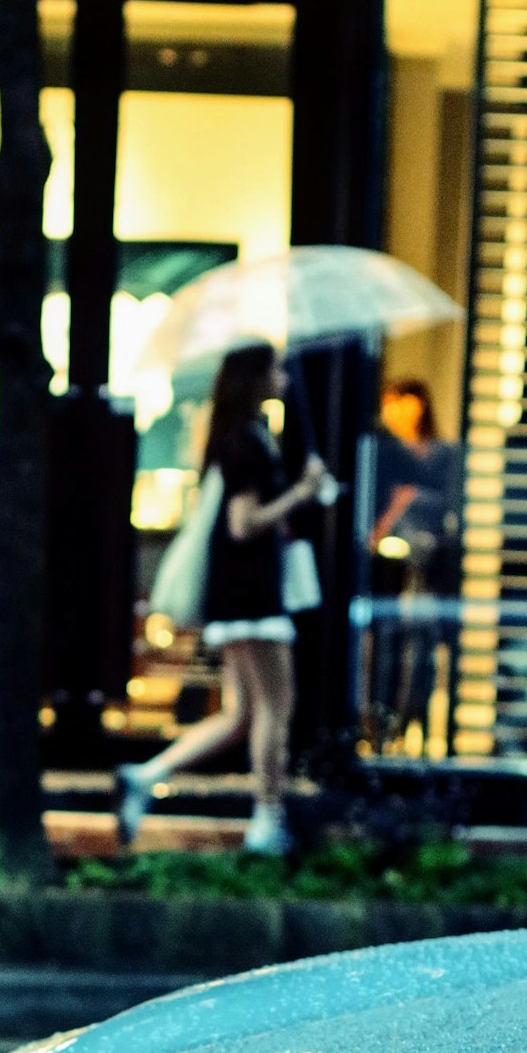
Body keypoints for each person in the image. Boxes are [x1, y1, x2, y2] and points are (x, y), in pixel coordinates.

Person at [116, 343, 329, 857]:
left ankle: (146, 776)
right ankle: (267, 819)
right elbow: (243, 524)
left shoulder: (239, 438)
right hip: (253, 597)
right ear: (255, 378)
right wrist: (302, 492)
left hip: (237, 597)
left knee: (241, 714)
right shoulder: (247, 443)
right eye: (275, 368)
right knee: (277, 707)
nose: (284, 377)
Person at [367, 377, 462, 750]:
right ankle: (380, 725)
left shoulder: (441, 453)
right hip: (387, 564)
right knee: (384, 643)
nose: (394, 409)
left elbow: (447, 506)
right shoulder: (383, 452)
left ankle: (409, 723)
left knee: (419, 646)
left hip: (427, 563)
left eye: (401, 400)